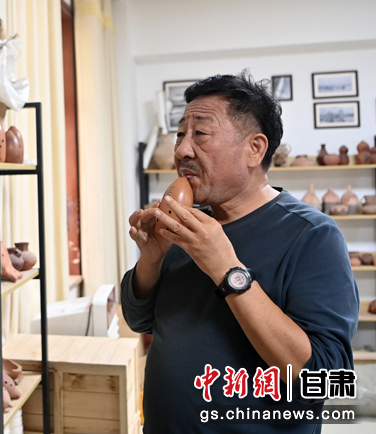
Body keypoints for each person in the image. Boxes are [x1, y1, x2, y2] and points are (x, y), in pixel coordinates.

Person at [121, 71, 359, 433]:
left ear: (254, 149)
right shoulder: (190, 221)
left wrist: (226, 268)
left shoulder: (312, 235)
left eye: (200, 134)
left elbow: (324, 379)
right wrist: (151, 259)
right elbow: (139, 320)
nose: (182, 150)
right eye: (181, 134)